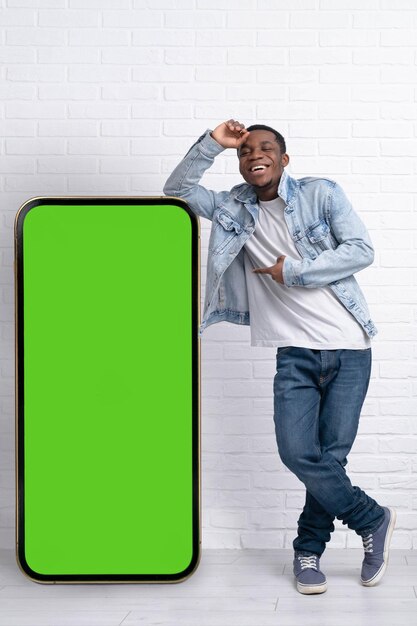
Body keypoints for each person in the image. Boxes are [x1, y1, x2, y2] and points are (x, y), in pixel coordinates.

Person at [163, 119, 396, 595]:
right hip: (294, 355)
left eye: (265, 148)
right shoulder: (232, 207)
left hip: (349, 348)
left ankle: (307, 552)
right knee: (298, 453)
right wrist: (213, 143)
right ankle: (372, 518)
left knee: (329, 459)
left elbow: (361, 250)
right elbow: (178, 188)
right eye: (245, 151)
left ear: (284, 159)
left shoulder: (321, 194)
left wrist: (294, 271)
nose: (254, 155)